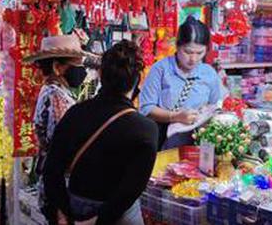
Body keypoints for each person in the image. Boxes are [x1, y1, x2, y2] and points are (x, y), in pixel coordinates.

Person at [44, 40, 158, 225]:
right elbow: (130, 192)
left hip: (76, 207)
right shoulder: (146, 129)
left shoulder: (75, 113)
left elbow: (52, 170)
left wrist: (63, 213)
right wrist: (97, 221)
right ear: (138, 80)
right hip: (118, 216)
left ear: (100, 73)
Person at [25, 34, 89, 223]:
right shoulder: (56, 97)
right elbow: (61, 150)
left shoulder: (54, 92)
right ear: (57, 68)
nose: (82, 71)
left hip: (54, 183)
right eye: (76, 66)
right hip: (59, 186)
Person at [139, 16, 224, 149]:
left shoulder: (209, 73)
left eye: (199, 53)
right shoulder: (161, 69)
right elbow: (146, 108)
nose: (193, 59)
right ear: (177, 46)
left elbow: (215, 106)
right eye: (188, 52)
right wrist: (176, 116)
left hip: (197, 143)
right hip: (161, 140)